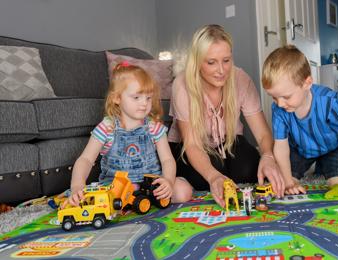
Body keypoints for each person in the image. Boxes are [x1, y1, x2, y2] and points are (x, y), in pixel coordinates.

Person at [168, 24, 285, 207]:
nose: (221, 70)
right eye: (211, 62)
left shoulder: (241, 79)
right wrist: (213, 176)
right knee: (207, 174)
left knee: (249, 168)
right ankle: (215, 176)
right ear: (198, 62)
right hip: (191, 146)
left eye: (226, 60)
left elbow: (262, 134)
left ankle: (223, 172)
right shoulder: (182, 84)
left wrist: (268, 156)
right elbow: (191, 144)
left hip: (227, 141)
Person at [67, 62, 192, 206]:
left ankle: (143, 200)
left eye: (148, 98)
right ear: (117, 98)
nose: (144, 103)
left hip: (150, 185)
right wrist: (77, 184)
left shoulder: (153, 128)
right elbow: (86, 160)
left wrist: (168, 181)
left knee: (183, 191)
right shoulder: (107, 127)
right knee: (95, 201)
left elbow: (167, 160)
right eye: (136, 97)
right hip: (116, 187)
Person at [261, 45, 338, 195]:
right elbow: (280, 147)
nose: (280, 103)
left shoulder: (329, 100)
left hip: (332, 148)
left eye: (286, 97)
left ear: (307, 83)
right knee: (283, 182)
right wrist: (288, 182)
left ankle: (325, 166)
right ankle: (304, 171)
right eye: (274, 97)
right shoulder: (279, 109)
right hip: (299, 150)